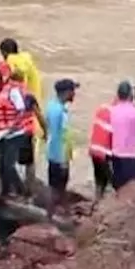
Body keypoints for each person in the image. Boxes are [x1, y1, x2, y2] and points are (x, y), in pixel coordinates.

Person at [0, 67, 32, 198]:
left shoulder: (13, 91)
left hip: (15, 134)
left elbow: (21, 111)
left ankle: (21, 191)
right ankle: (6, 191)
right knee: (0, 164)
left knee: (8, 165)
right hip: (1, 133)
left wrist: (13, 126)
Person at [44, 79, 80, 217]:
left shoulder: (51, 106)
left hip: (52, 154)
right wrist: (64, 159)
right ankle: (50, 216)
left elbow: (50, 133)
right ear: (66, 92)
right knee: (57, 188)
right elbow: (62, 137)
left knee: (57, 187)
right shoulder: (60, 111)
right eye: (72, 91)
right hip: (59, 156)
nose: (74, 94)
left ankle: (63, 213)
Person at [107, 81, 135, 190]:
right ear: (131, 95)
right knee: (129, 188)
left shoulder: (112, 110)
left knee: (118, 187)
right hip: (130, 156)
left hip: (115, 155)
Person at [89, 101, 115, 200]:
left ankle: (96, 203)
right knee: (112, 184)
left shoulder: (102, 108)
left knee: (99, 183)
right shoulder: (118, 114)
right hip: (104, 153)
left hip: (94, 151)